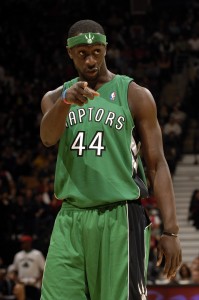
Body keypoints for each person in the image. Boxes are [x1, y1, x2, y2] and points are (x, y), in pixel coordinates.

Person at [39, 19, 182, 300]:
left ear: (106, 49)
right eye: (82, 53)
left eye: (97, 51)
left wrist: (171, 230)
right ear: (70, 53)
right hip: (71, 217)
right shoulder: (55, 98)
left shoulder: (135, 95)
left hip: (120, 217)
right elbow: (47, 137)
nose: (91, 60)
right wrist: (66, 101)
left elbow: (156, 164)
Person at [12, 235, 45, 300]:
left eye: (24, 243)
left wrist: (38, 280)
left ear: (29, 243)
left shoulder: (37, 254)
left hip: (34, 284)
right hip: (22, 284)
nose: (22, 244)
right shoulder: (18, 255)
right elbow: (15, 271)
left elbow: (43, 270)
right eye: (21, 243)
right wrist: (17, 281)